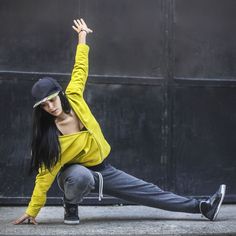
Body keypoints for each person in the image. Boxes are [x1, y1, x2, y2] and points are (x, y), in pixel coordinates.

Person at [13, 18, 226, 225]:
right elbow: (43, 179)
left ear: (59, 94)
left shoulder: (74, 97)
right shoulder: (52, 138)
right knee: (81, 176)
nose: (50, 106)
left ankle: (202, 207)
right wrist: (32, 211)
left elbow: (80, 69)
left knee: (148, 190)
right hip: (74, 177)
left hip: (102, 170)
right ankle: (71, 204)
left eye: (51, 100)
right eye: (44, 105)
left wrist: (82, 37)